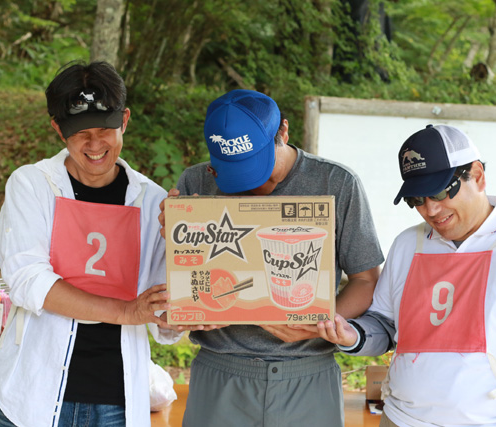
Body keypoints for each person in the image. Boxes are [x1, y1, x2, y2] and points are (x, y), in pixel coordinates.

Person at [308, 124, 496, 427]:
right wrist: (353, 335)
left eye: (440, 191)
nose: (431, 209)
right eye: (417, 199)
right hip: (400, 419)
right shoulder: (407, 244)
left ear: (477, 175)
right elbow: (385, 325)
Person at [159, 89, 384, 426]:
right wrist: (176, 239)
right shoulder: (197, 181)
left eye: (259, 166)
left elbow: (366, 280)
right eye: (234, 172)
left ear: (284, 132)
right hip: (220, 373)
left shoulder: (336, 183)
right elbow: (184, 287)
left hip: (307, 377)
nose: (252, 184)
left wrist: (318, 327)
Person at [0, 61, 183, 427]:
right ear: (58, 129)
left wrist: (187, 253)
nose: (95, 145)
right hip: (34, 397)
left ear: (124, 120)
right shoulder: (32, 186)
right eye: (81, 133)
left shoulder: (152, 202)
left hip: (118, 405)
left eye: (105, 129)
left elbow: (165, 320)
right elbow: (28, 280)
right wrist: (126, 312)